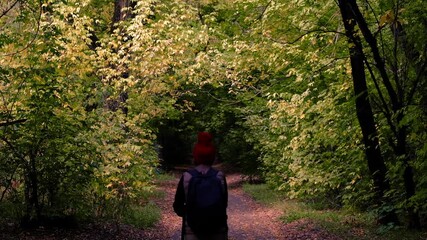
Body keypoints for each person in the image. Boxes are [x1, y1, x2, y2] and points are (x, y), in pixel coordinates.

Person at [173, 132, 228, 240]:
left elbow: (177, 205)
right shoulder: (220, 177)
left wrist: (189, 213)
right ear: (212, 157)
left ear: (196, 156)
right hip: (218, 231)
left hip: (191, 232)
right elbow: (224, 203)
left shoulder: (187, 177)